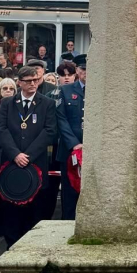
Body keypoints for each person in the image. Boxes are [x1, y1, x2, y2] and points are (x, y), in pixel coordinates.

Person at [0, 66, 57, 248]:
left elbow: (50, 131)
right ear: (20, 83)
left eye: (35, 80)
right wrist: (15, 154)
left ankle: (32, 246)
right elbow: (1, 129)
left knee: (35, 207)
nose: (33, 84)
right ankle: (11, 244)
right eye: (28, 81)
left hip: (35, 162)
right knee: (11, 207)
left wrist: (28, 155)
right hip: (11, 162)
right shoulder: (8, 103)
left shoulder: (47, 103)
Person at [56, 54, 86, 220]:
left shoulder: (100, 91)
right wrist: (74, 144)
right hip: (70, 150)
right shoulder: (65, 90)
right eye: (82, 69)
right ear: (77, 71)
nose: (86, 72)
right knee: (69, 193)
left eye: (88, 69)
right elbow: (61, 119)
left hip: (93, 149)